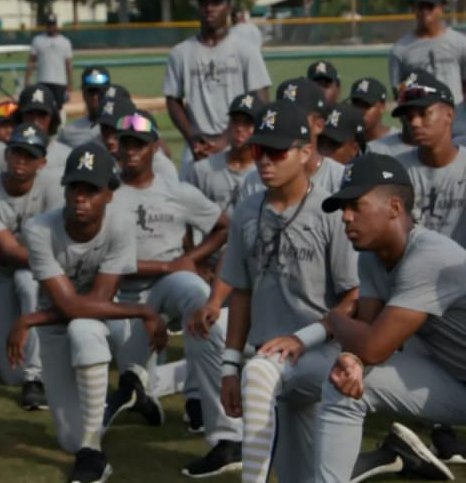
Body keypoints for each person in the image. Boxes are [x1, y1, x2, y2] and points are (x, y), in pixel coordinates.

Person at [213, 100, 359, 483]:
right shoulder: (246, 210)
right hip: (272, 357)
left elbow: (354, 297)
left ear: (306, 152)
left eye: (276, 152)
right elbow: (241, 292)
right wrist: (229, 366)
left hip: (321, 356)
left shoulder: (332, 212)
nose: (264, 160)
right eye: (260, 150)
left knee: (259, 371)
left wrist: (303, 337)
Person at [9, 143, 167, 483]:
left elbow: (94, 302)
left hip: (96, 322)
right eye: (74, 187)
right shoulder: (39, 229)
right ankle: (122, 397)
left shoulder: (120, 224)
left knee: (83, 327)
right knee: (68, 439)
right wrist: (141, 310)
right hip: (54, 328)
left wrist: (29, 318)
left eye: (92, 189)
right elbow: (68, 306)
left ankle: (93, 451)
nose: (81, 196)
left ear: (109, 194)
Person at [102, 111, 239, 479]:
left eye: (139, 144)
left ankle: (225, 436)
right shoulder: (106, 192)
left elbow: (225, 227)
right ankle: (148, 395)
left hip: (169, 285)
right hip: (121, 294)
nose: (130, 150)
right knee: (134, 376)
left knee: (198, 296)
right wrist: (169, 265)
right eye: (125, 143)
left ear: (153, 148)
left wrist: (189, 258)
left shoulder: (176, 190)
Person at [314, 152, 464, 483]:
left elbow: (372, 346)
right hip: (455, 378)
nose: (346, 218)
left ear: (395, 208)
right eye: (343, 208)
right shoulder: (371, 256)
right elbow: (366, 336)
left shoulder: (430, 255)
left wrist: (334, 319)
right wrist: (352, 357)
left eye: (356, 206)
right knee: (344, 382)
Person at [0, 123, 63, 407]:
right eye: (17, 153)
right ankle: (5, 360)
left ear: (42, 161)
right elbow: (4, 252)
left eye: (30, 155)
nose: (22, 160)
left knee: (28, 281)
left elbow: (57, 248)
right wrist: (10, 254)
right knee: (10, 374)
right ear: (7, 154)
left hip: (37, 273)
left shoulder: (53, 185)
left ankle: (36, 377)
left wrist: (10, 254)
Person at [163, 0, 271, 174]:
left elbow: (260, 100)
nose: (209, 8)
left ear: (228, 7)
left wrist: (227, 138)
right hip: (197, 147)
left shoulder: (246, 50)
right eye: (204, 3)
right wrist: (192, 138)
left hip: (238, 146)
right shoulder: (180, 53)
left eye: (216, 3)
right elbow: (173, 99)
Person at [392, 71, 466, 244]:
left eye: (424, 113)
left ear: (449, 114)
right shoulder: (398, 170)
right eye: (409, 117)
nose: (415, 123)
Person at [240, 78, 345, 198]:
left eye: (297, 114)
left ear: (319, 125)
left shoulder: (339, 179)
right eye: (281, 112)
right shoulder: (256, 180)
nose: (286, 119)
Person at [389, 0, 466, 104]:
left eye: (430, 6)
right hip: (421, 119)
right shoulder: (400, 50)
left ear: (441, 8)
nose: (425, 11)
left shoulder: (460, 43)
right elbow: (399, 94)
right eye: (421, 6)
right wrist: (413, 80)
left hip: (456, 118)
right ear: (413, 9)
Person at [184, 93, 260, 219]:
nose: (240, 128)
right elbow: (185, 211)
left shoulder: (266, 172)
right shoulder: (203, 169)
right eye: (235, 121)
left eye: (247, 123)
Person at [95, 85, 179, 181]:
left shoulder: (158, 165)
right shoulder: (99, 156)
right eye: (105, 131)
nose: (109, 140)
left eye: (115, 131)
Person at [348, 76, 411, 157]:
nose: (360, 111)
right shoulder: (342, 140)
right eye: (356, 105)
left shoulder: (399, 143)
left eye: (366, 105)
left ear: (382, 107)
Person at [15, 84, 72, 170]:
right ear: (20, 117)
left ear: (52, 119)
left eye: (42, 115)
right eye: (30, 114)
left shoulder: (67, 157)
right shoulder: (9, 157)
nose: (35, 121)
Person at [25, 13, 73, 109]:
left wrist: (69, 83)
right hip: (43, 80)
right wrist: (27, 79)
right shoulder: (38, 40)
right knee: (43, 107)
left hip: (60, 82)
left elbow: (68, 64)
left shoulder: (65, 42)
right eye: (49, 25)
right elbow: (31, 61)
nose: (51, 27)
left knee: (58, 108)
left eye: (53, 24)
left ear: (56, 25)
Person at [59, 67, 110, 148]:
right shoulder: (68, 132)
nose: (95, 97)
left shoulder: (121, 129)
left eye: (100, 91)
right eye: (91, 91)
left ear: (108, 92)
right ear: (83, 93)